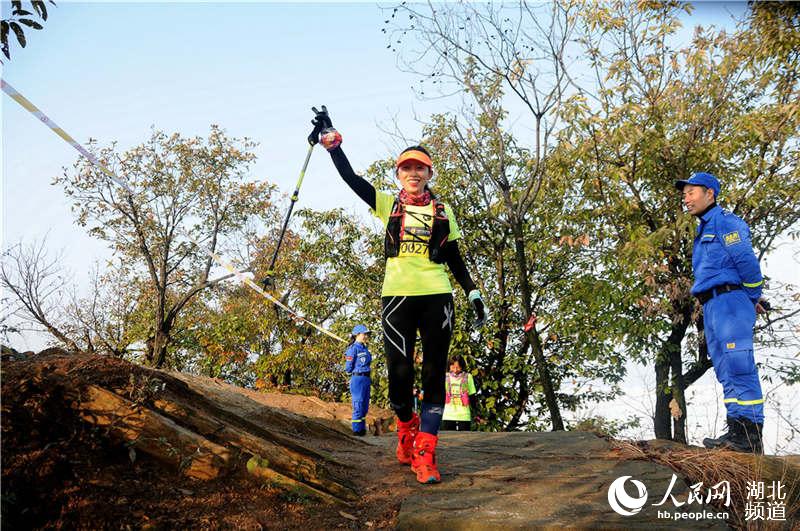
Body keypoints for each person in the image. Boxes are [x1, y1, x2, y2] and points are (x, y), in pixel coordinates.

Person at [309, 106, 487, 483]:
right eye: (406, 168)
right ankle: (406, 429)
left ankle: (426, 451)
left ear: (428, 173)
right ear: (399, 174)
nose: (413, 173)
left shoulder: (444, 211)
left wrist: (472, 291)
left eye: (419, 168)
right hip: (397, 298)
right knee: (399, 373)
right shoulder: (388, 206)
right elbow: (352, 180)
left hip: (437, 295)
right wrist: (333, 144)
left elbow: (454, 255)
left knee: (435, 372)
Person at [675, 172, 767, 454]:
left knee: (739, 363)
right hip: (713, 304)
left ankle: (751, 435)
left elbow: (746, 262)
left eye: (692, 193)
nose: (686, 198)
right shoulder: (704, 227)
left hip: (730, 302)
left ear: (710, 194)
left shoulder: (726, 222)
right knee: (726, 368)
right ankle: (737, 430)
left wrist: (751, 297)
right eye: (684, 194)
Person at [345, 324, 373, 436]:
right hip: (358, 378)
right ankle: (357, 431)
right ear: (357, 334)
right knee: (358, 405)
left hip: (366, 378)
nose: (366, 336)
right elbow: (348, 368)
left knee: (364, 406)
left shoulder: (364, 348)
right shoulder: (353, 349)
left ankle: (362, 429)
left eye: (367, 334)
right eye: (364, 333)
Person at [441, 355, 477, 431]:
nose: (455, 369)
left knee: (464, 440)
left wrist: (476, 413)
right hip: (448, 415)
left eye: (458, 367)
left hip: (464, 415)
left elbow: (472, 395)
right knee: (448, 441)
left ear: (462, 366)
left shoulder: (468, 377)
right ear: (449, 366)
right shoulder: (445, 377)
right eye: (453, 367)